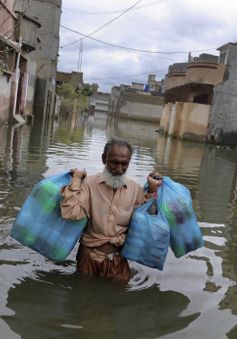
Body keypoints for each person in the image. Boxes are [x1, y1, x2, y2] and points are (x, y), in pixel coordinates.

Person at [60, 137, 162, 281]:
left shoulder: (135, 188)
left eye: (124, 164)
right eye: (114, 162)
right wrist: (76, 180)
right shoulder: (89, 183)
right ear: (104, 159)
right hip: (88, 257)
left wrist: (152, 189)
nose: (119, 169)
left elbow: (149, 222)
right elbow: (71, 213)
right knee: (83, 299)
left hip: (119, 260)